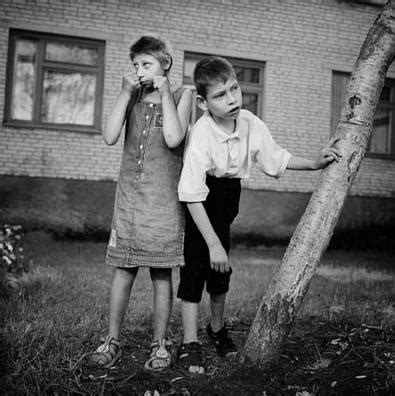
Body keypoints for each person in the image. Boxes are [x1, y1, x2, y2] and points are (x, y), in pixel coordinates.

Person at [177, 56, 341, 374]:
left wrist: (314, 164)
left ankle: (217, 329)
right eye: (220, 95)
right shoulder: (201, 133)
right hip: (200, 203)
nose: (232, 99)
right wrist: (211, 242)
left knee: (221, 274)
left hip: (227, 199)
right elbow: (191, 195)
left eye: (234, 89)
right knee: (195, 270)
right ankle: (190, 343)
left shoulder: (250, 122)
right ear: (202, 102)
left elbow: (274, 156)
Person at [90, 35, 192, 370]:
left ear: (166, 63)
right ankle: (112, 340)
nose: (139, 70)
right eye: (136, 65)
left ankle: (160, 344)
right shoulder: (131, 97)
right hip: (130, 202)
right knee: (124, 270)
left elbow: (174, 138)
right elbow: (108, 136)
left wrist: (164, 93)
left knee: (162, 274)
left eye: (146, 64)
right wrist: (123, 92)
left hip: (163, 204)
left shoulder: (182, 95)